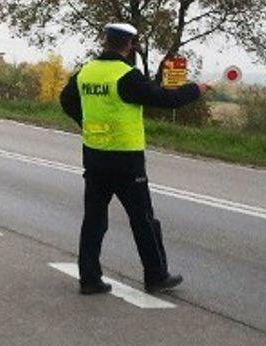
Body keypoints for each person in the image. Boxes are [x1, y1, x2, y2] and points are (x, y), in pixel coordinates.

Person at [59, 23, 211, 295]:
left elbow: (66, 99)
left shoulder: (86, 72)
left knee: (94, 220)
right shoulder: (127, 76)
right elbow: (165, 98)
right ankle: (156, 276)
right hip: (126, 162)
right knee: (143, 220)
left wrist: (85, 122)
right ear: (129, 45)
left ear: (105, 42)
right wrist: (196, 89)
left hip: (94, 158)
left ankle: (89, 279)